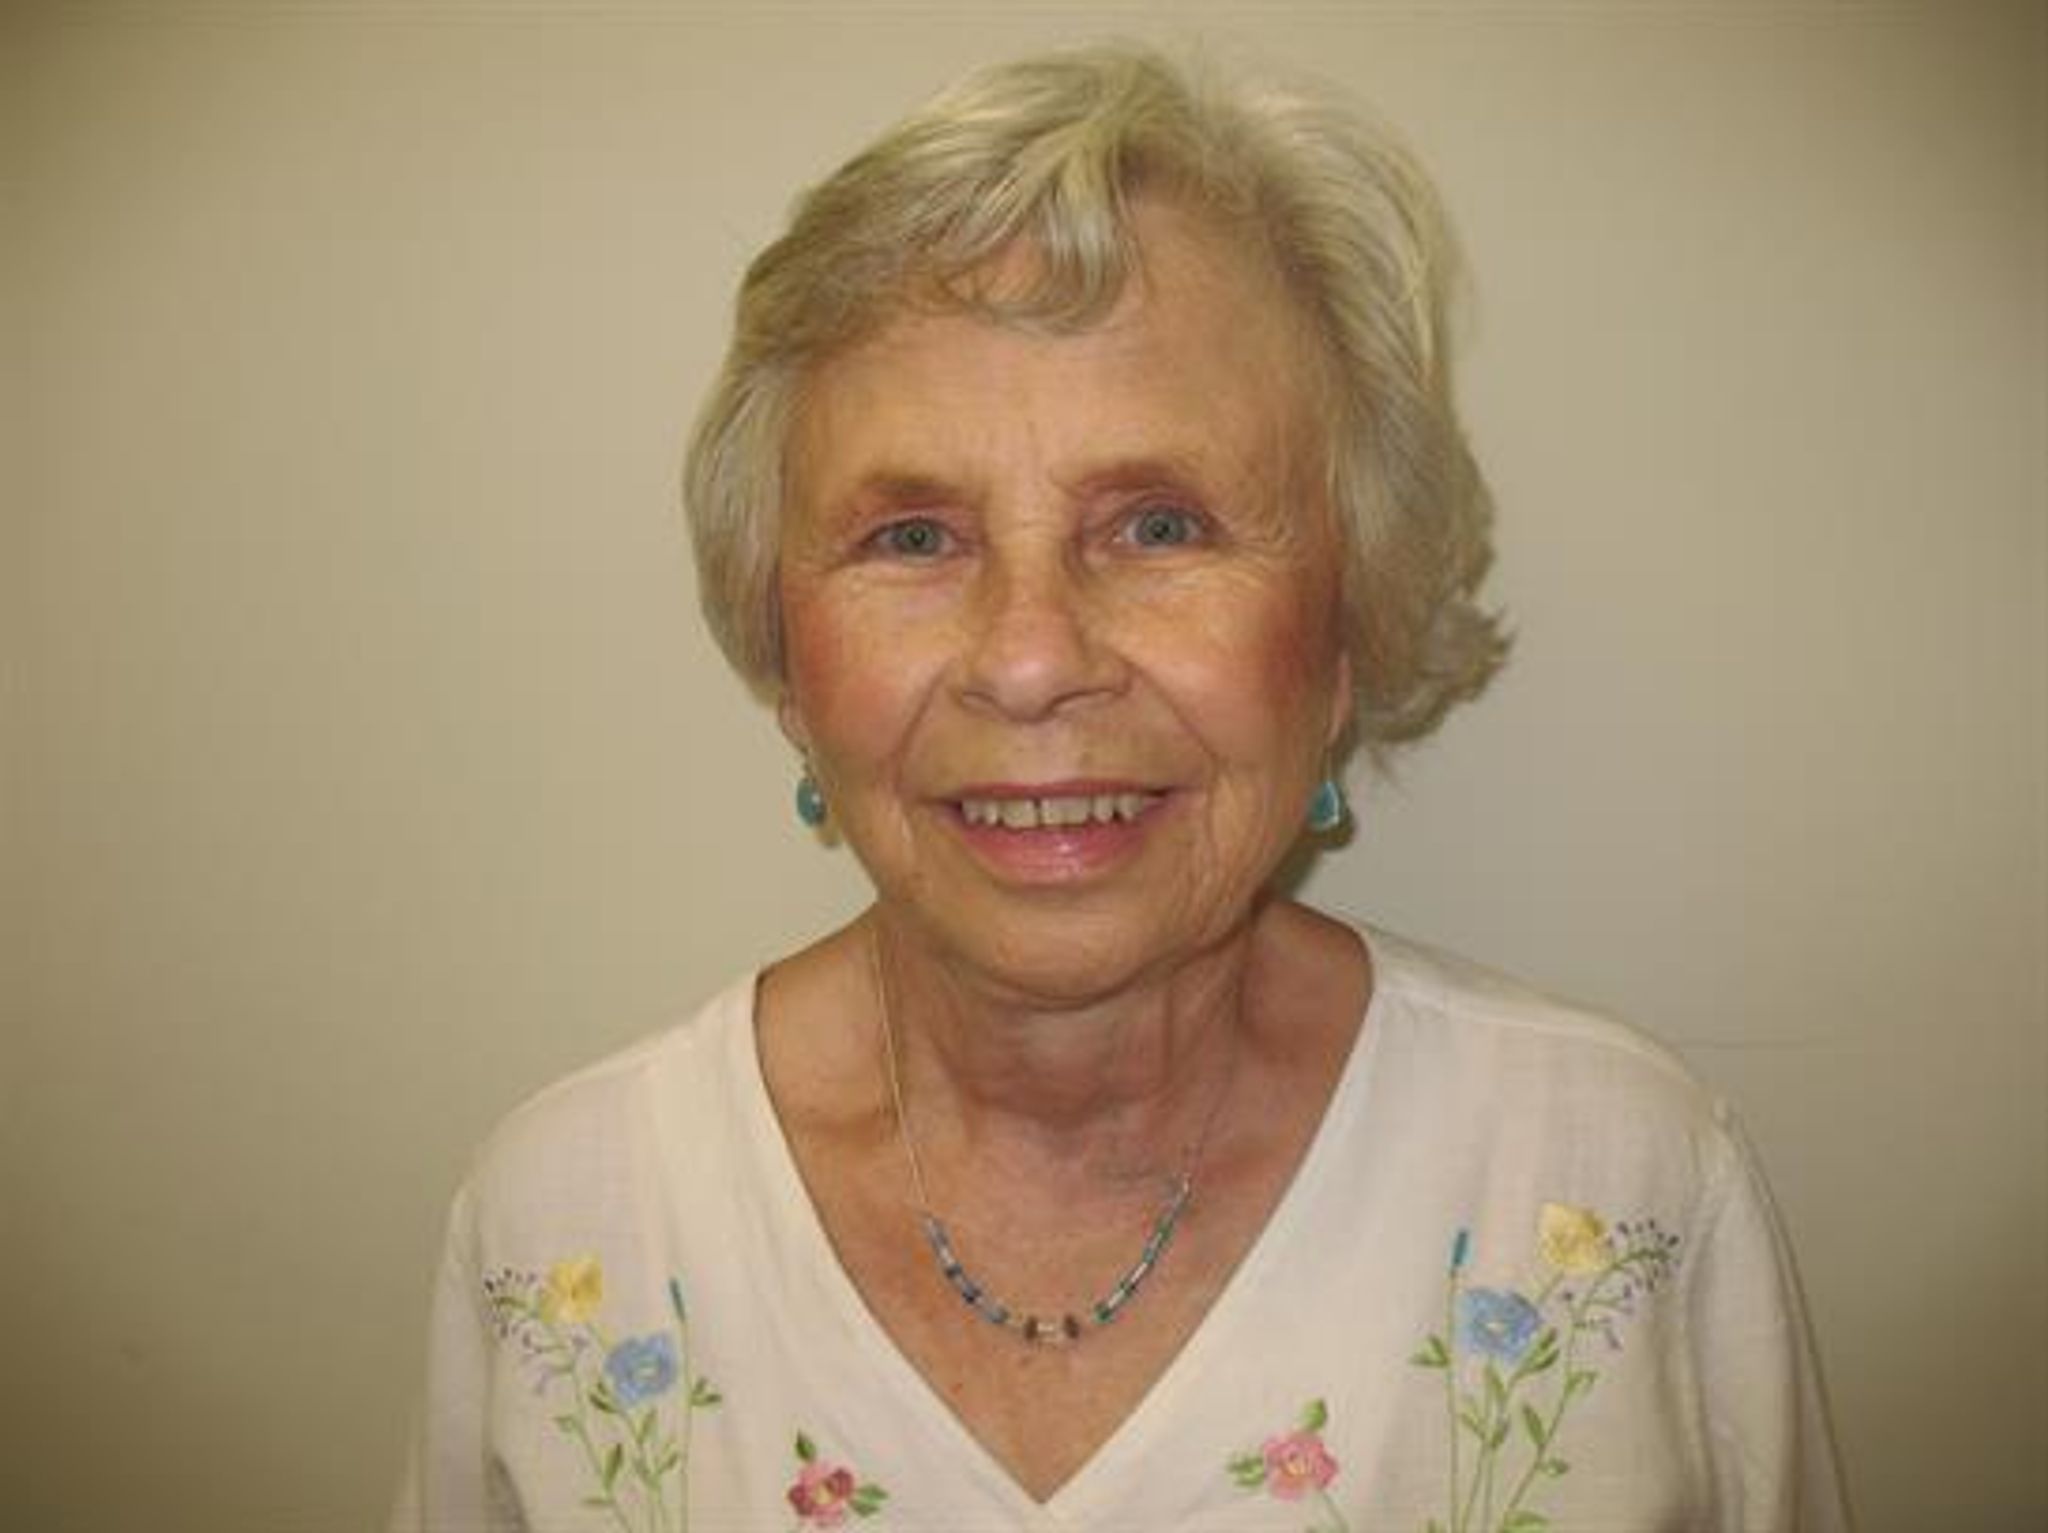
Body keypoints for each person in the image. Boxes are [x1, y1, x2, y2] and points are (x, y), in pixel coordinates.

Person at [393, 43, 1850, 1532]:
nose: (1030, 661)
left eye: (1160, 524)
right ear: (786, 660)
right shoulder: (568, 1238)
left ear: (1344, 636)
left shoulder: (1617, 1200)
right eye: (913, 536)